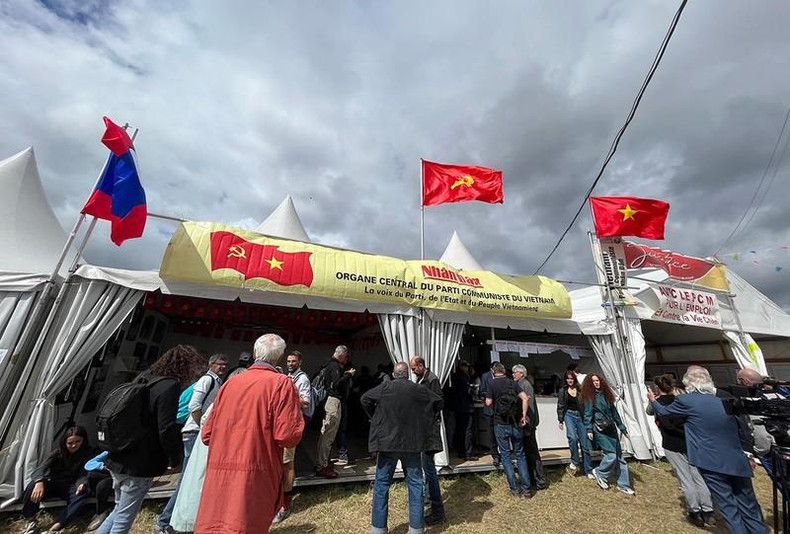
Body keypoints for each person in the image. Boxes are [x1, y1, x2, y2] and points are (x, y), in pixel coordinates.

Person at [195, 334, 305, 534]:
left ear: (255, 353)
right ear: (279, 357)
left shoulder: (230, 383)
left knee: (215, 523)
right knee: (246, 524)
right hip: (256, 468)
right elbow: (288, 436)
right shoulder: (281, 384)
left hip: (220, 469)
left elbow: (207, 434)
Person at [97, 345, 204, 534]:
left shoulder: (144, 378)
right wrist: (173, 457)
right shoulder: (169, 385)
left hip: (120, 455)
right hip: (141, 461)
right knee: (124, 518)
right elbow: (166, 427)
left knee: (119, 510)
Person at [649, 367, 767, 534]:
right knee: (749, 505)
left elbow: (664, 413)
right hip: (736, 459)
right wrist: (748, 454)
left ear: (688, 383)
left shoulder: (686, 400)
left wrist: (653, 400)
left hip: (710, 461)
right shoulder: (726, 398)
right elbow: (744, 428)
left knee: (728, 506)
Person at [361, 361, 443, 534]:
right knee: (415, 485)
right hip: (412, 444)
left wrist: (374, 418)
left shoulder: (385, 387)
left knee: (382, 485)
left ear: (393, 374)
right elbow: (438, 401)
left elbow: (365, 399)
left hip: (387, 444)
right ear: (407, 374)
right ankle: (416, 529)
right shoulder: (418, 389)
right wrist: (424, 419)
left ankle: (378, 529)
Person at [156, 352, 226, 534]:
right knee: (187, 479)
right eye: (220, 364)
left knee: (191, 478)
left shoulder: (217, 381)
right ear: (211, 365)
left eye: (225, 364)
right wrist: (202, 424)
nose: (223, 367)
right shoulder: (207, 380)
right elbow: (194, 405)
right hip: (195, 432)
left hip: (199, 431)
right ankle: (165, 521)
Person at [647, 374, 714, 527]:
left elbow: (650, 412)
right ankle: (708, 511)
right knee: (699, 477)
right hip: (689, 442)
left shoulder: (658, 404)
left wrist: (652, 399)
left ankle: (695, 511)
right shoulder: (682, 401)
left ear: (657, 388)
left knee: (686, 479)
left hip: (671, 444)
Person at [20, 426, 96, 533]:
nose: (74, 445)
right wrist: (39, 482)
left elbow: (83, 474)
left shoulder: (87, 454)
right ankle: (31, 520)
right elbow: (40, 469)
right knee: (32, 486)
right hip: (53, 483)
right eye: (70, 443)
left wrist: (82, 484)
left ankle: (57, 525)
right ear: (64, 442)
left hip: (70, 486)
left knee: (83, 493)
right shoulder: (57, 453)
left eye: (78, 441)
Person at [273, 350, 314, 525]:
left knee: (287, 463)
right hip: (278, 424)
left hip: (289, 423)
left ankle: (285, 504)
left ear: (300, 362)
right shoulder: (285, 376)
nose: (290, 363)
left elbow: (305, 402)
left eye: (293, 361)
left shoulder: (302, 379)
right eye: (288, 361)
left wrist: (286, 398)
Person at [582, 373, 634, 495]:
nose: (596, 383)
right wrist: (589, 430)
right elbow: (588, 414)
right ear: (590, 383)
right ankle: (600, 473)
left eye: (598, 380)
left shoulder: (606, 395)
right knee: (611, 455)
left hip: (611, 428)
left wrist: (623, 428)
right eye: (594, 381)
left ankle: (624, 485)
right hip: (600, 429)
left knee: (620, 458)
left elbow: (614, 413)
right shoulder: (590, 397)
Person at [485, 362, 532, 497]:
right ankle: (527, 489)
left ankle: (514, 489)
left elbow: (488, 402)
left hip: (500, 423)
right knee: (520, 455)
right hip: (516, 423)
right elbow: (524, 398)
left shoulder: (491, 383)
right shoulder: (512, 382)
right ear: (504, 371)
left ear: (494, 372)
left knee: (505, 455)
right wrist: (523, 416)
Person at [410, 356, 446, 525]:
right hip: (424, 428)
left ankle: (437, 511)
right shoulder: (423, 379)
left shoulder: (432, 380)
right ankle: (427, 497)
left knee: (429, 469)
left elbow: (438, 402)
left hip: (429, 430)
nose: (412, 371)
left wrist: (426, 414)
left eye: (414, 368)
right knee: (426, 466)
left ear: (422, 366)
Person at [169, 404, 215, 533]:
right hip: (199, 440)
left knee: (188, 483)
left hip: (202, 444)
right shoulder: (210, 386)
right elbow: (194, 405)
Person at [316, 345, 355, 478]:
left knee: (328, 433)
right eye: (346, 356)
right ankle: (322, 465)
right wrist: (348, 375)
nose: (346, 359)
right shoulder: (334, 366)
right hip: (333, 401)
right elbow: (336, 384)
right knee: (328, 433)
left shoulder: (328, 364)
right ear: (342, 355)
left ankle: (323, 461)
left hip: (331, 400)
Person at [512, 365, 547, 490]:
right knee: (527, 453)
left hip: (528, 425)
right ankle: (532, 479)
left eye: (515, 372)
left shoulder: (525, 385)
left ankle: (540, 480)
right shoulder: (522, 384)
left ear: (522, 373)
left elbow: (529, 406)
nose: (513, 374)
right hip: (528, 424)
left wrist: (526, 421)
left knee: (532, 453)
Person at [557, 369, 592, 477]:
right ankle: (575, 461)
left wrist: (587, 419)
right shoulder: (563, 391)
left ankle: (588, 470)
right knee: (572, 437)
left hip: (580, 416)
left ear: (574, 379)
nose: (570, 380)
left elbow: (586, 405)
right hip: (569, 415)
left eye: (571, 378)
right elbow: (560, 405)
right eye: (568, 378)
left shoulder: (580, 390)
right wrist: (560, 420)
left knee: (585, 445)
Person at [452, 360, 477, 461]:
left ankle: (461, 452)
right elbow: (468, 392)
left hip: (458, 407)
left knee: (460, 430)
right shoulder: (464, 378)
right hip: (466, 407)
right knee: (468, 430)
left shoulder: (455, 377)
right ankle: (468, 453)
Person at [83, 452, 114, 532]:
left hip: (125, 477)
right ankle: (100, 506)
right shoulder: (110, 451)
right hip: (112, 474)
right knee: (91, 475)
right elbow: (89, 464)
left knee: (102, 485)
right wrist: (103, 467)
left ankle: (101, 512)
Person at [478, 362, 500, 467]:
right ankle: (495, 455)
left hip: (500, 410)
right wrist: (488, 397)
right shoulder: (485, 376)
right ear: (491, 369)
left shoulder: (503, 376)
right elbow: (481, 391)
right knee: (491, 433)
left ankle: (504, 453)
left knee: (501, 432)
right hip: (489, 409)